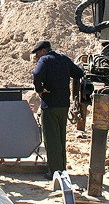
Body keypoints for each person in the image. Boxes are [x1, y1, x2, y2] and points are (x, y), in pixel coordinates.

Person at [31, 40, 84, 179]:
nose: (36, 58)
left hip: (50, 106)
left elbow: (36, 75)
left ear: (43, 51)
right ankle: (62, 168)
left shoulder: (45, 60)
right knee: (61, 138)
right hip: (64, 105)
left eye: (37, 54)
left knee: (51, 139)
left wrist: (40, 90)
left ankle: (55, 171)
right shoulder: (64, 59)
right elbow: (79, 73)